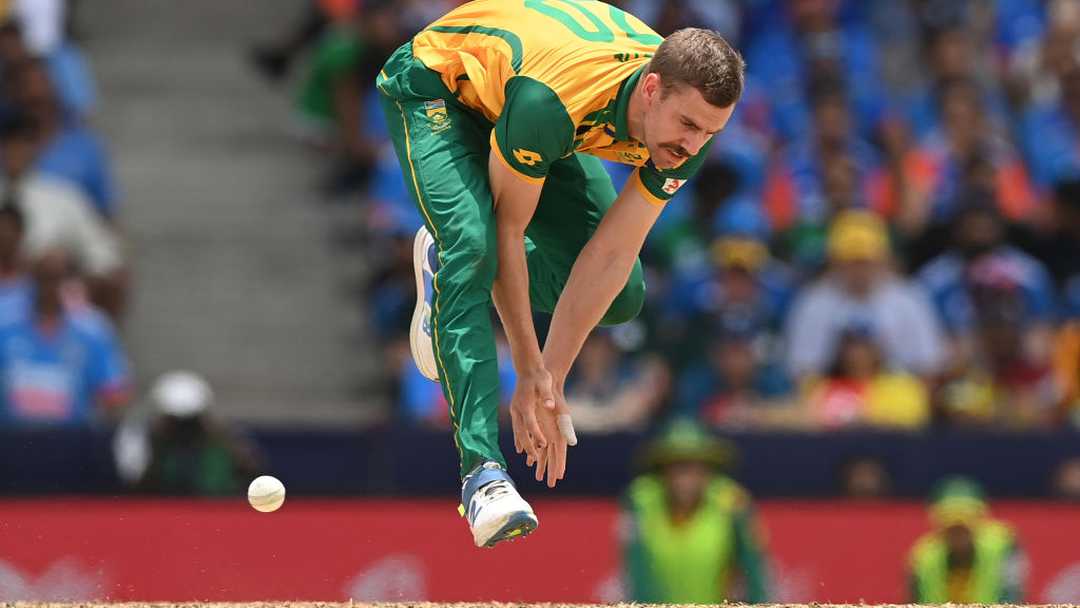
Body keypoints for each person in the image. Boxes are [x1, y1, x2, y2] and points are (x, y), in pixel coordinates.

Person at [377, 1, 743, 546]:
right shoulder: (551, 103)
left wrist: (552, 378)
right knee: (475, 248)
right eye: (688, 125)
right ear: (651, 90)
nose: (693, 146)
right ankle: (482, 476)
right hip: (441, 87)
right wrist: (526, 369)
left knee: (622, 296)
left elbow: (612, 255)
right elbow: (507, 234)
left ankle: (441, 262)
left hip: (534, 105)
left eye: (710, 133)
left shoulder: (687, 132)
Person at [784, 210, 946, 382]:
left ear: (884, 259)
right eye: (851, 262)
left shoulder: (908, 300)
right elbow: (802, 372)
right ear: (834, 262)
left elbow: (929, 368)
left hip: (896, 392)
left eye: (866, 261)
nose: (860, 271)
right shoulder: (814, 303)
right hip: (835, 394)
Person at [621, 420, 769, 603]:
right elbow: (636, 573)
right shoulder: (641, 502)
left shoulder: (731, 502)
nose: (685, 479)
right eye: (677, 467)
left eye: (694, 468)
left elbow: (752, 571)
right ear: (663, 470)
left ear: (708, 470)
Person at [0, 249, 129, 426]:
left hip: (72, 437)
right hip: (9, 436)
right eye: (44, 278)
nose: (50, 287)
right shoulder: (5, 323)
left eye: (57, 279)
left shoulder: (92, 329)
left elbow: (113, 391)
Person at [907, 477, 1026, 603]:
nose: (959, 535)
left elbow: (1012, 596)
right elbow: (915, 601)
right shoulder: (923, 558)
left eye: (964, 528)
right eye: (953, 529)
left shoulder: (1004, 546)